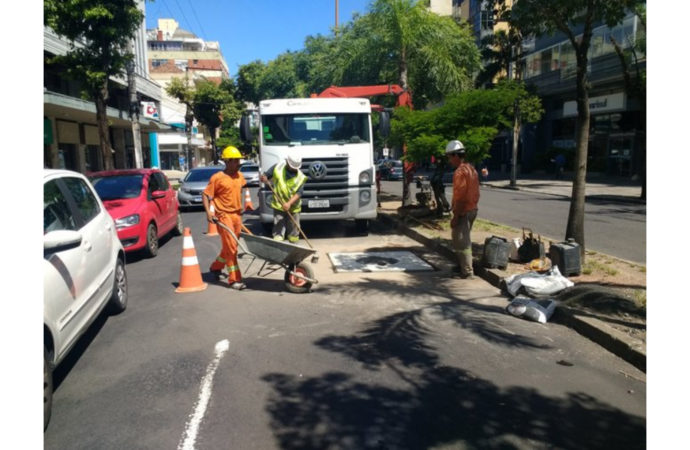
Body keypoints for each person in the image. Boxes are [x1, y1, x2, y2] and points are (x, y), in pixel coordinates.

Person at [202, 145, 247, 290]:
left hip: (236, 215)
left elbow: (241, 190)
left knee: (229, 247)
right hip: (224, 216)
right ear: (227, 161)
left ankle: (216, 267)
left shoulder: (240, 176)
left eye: (239, 160)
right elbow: (206, 194)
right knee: (232, 249)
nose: (238, 163)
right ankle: (234, 280)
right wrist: (209, 212)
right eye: (235, 160)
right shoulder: (217, 178)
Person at [446, 140, 480, 279]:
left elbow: (460, 197)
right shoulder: (471, 169)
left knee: (461, 242)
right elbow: (476, 192)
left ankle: (467, 271)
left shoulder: (460, 172)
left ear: (455, 156)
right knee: (462, 239)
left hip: (463, 211)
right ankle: (461, 266)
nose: (449, 160)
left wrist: (456, 216)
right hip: (473, 209)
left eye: (449, 157)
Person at [259, 154, 307, 243]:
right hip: (279, 204)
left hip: (294, 206)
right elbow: (266, 176)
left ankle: (294, 245)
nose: (294, 169)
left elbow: (299, 193)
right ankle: (279, 244)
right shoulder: (278, 167)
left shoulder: (301, 177)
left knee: (294, 228)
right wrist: (264, 178)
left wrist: (289, 203)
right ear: (287, 163)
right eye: (292, 167)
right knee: (278, 226)